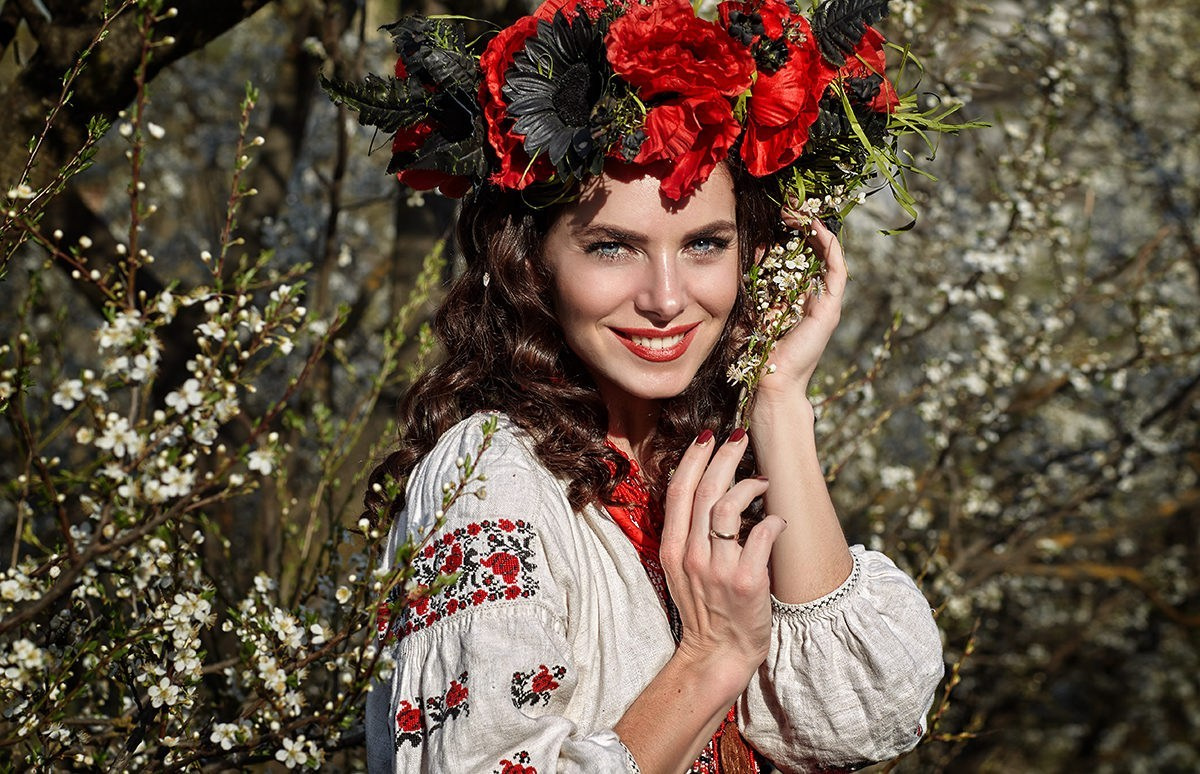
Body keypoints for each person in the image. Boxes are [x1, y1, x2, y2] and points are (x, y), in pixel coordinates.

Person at [342, 2, 945, 772]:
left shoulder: (697, 455)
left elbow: (860, 715)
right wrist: (713, 656)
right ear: (532, 265)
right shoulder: (493, 477)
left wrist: (779, 398)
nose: (666, 298)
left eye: (704, 244)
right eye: (612, 248)